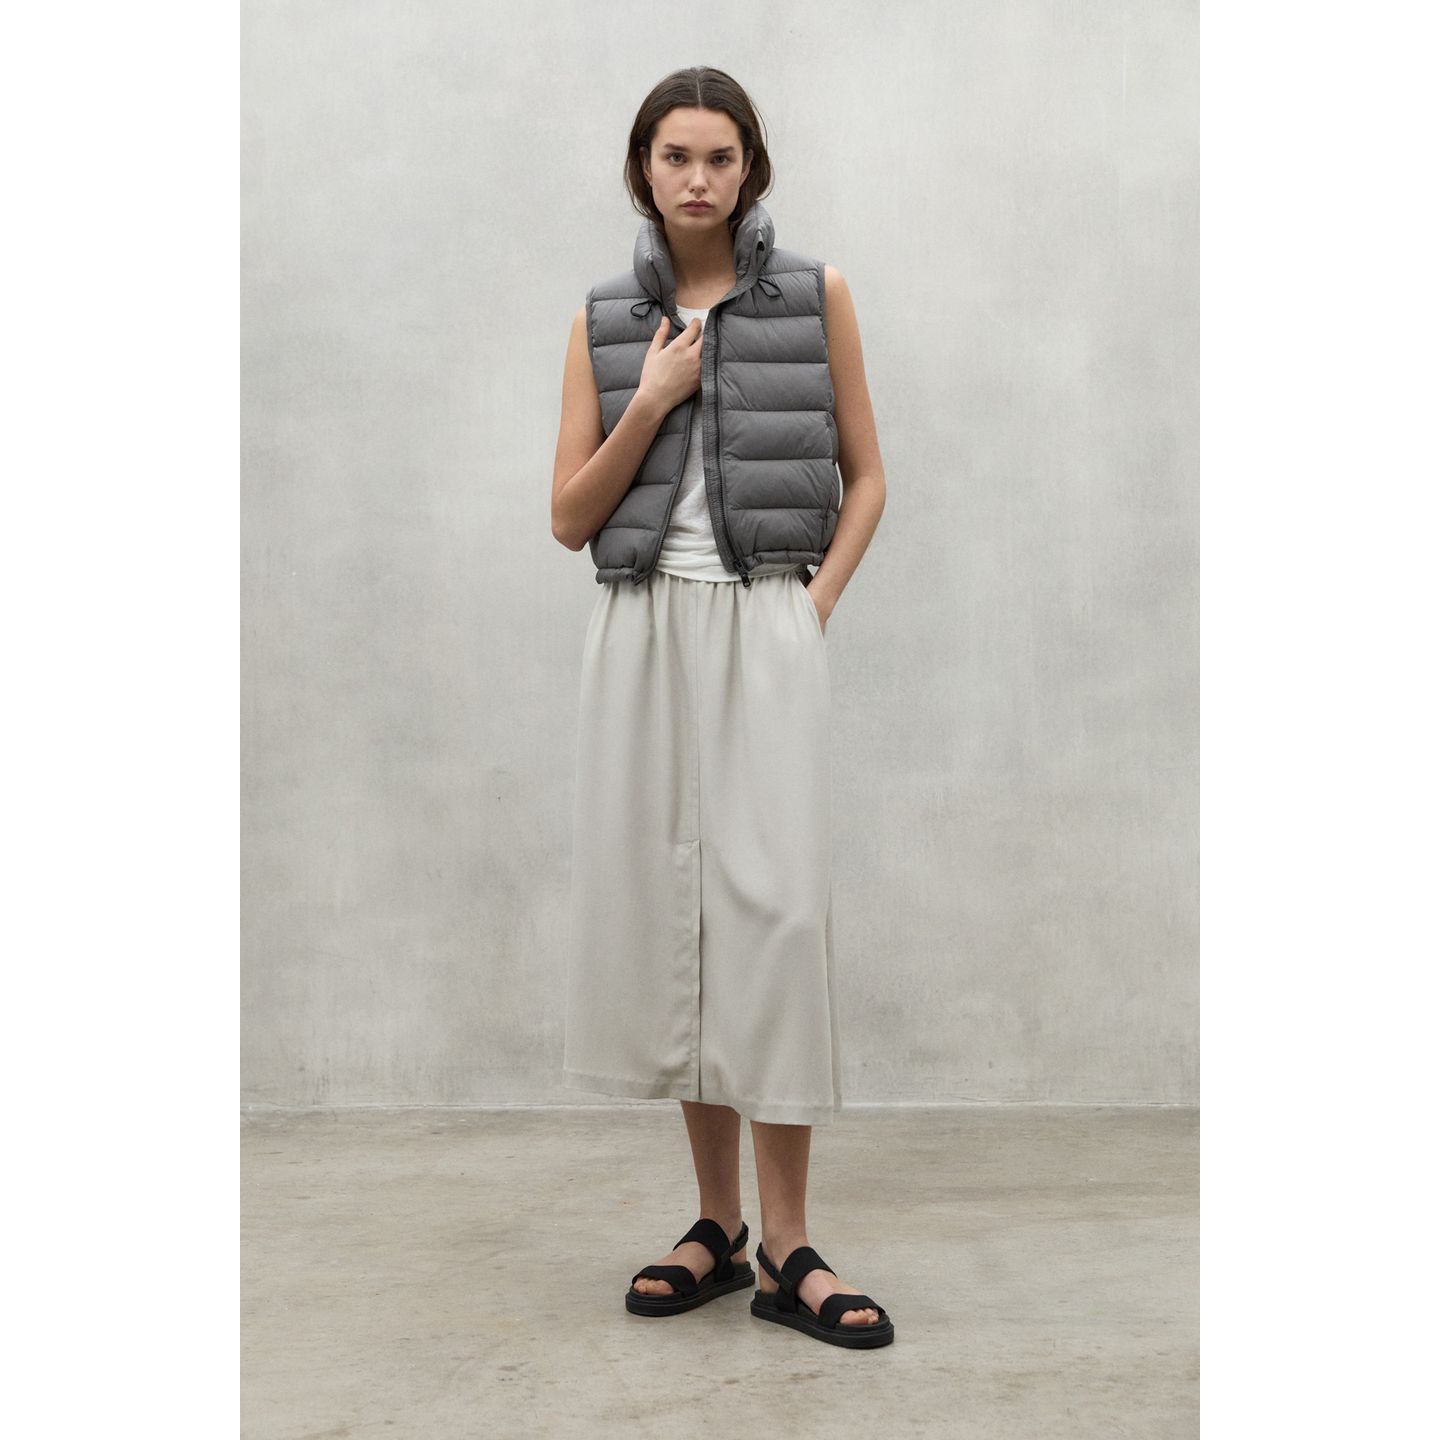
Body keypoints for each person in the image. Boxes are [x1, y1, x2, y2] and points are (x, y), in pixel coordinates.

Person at [550, 67, 892, 1349]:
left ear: (751, 169)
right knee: (677, 914)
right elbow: (569, 518)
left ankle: (792, 1242)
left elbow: (868, 476)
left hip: (763, 620)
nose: (697, 179)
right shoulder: (602, 318)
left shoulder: (815, 294)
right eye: (675, 156)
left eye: (720, 157)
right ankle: (717, 1227)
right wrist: (650, 399)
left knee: (776, 916)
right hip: (641, 627)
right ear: (643, 168)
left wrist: (810, 611)